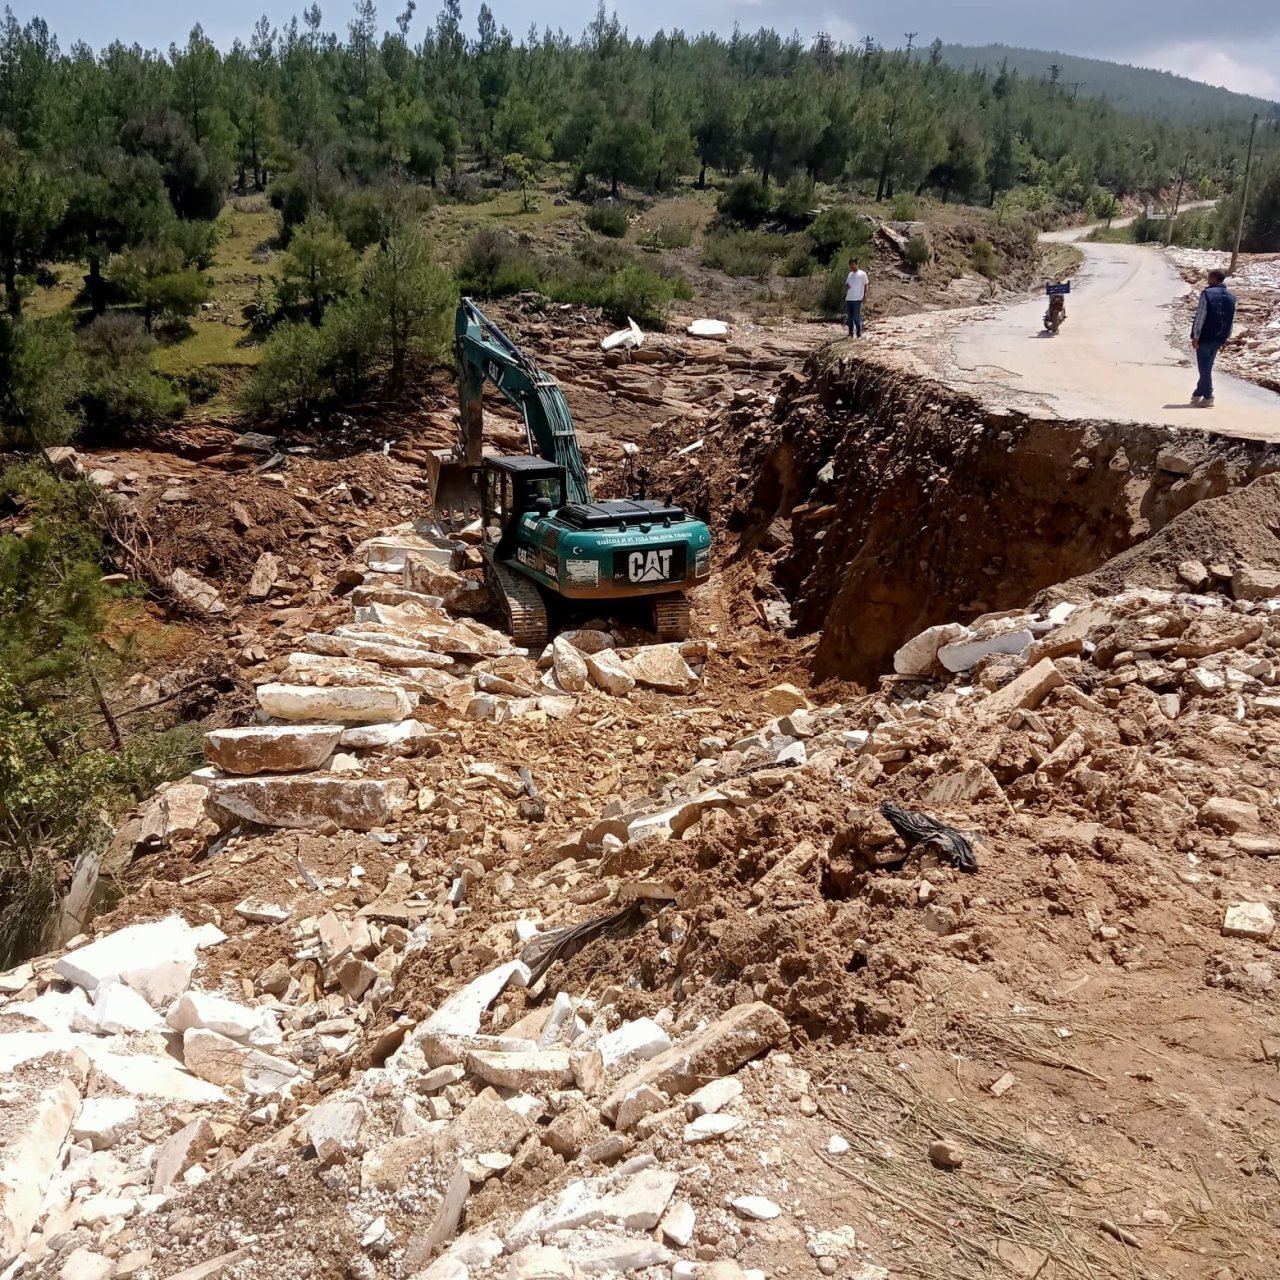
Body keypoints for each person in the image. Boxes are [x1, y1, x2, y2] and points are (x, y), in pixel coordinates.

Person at [1190, 267, 1236, 407]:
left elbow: (1201, 316)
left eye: (1209, 277)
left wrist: (1195, 336)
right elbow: (1230, 320)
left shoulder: (1207, 294)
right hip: (1219, 337)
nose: (1208, 280)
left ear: (1215, 278)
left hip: (1205, 336)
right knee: (1207, 366)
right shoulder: (1231, 297)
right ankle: (1198, 393)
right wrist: (1225, 339)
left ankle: (1208, 395)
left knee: (1204, 367)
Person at [844, 257, 869, 338]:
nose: (852, 266)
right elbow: (846, 283)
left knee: (856, 317)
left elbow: (866, 285)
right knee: (850, 317)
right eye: (851, 265)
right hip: (849, 298)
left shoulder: (862, 274)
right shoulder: (850, 274)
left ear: (857, 264)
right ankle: (850, 333)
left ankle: (858, 334)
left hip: (857, 298)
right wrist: (848, 285)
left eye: (853, 264)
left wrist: (864, 296)